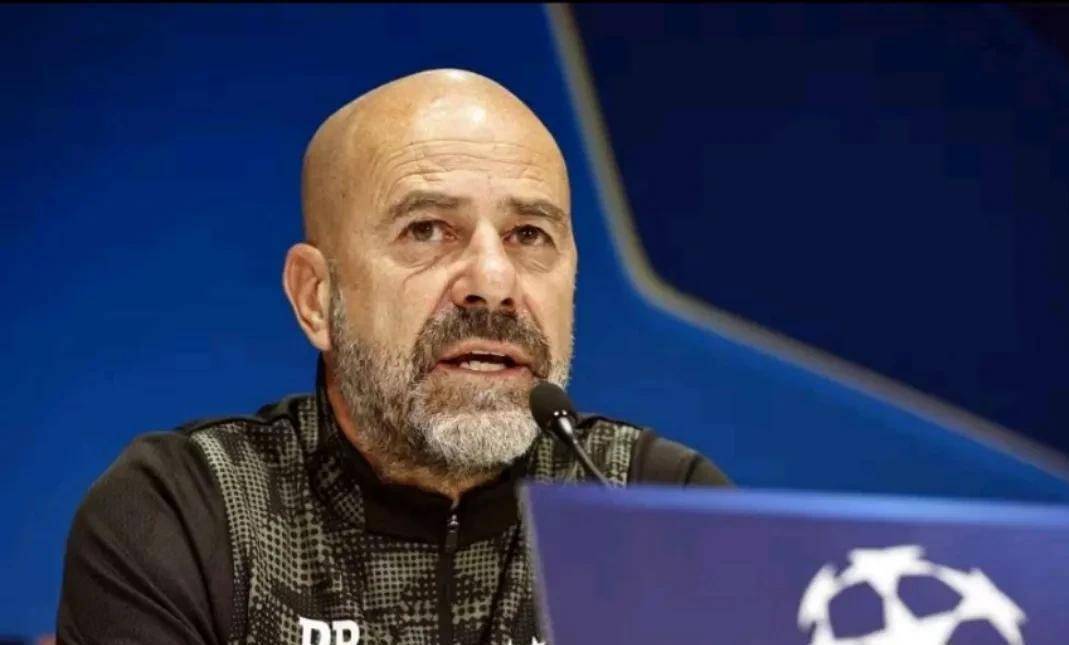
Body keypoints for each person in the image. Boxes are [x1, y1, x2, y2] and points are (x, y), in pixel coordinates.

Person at [56, 69, 729, 645]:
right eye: (427, 230)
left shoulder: (657, 508)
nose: (493, 281)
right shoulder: (190, 513)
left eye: (529, 234)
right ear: (316, 298)